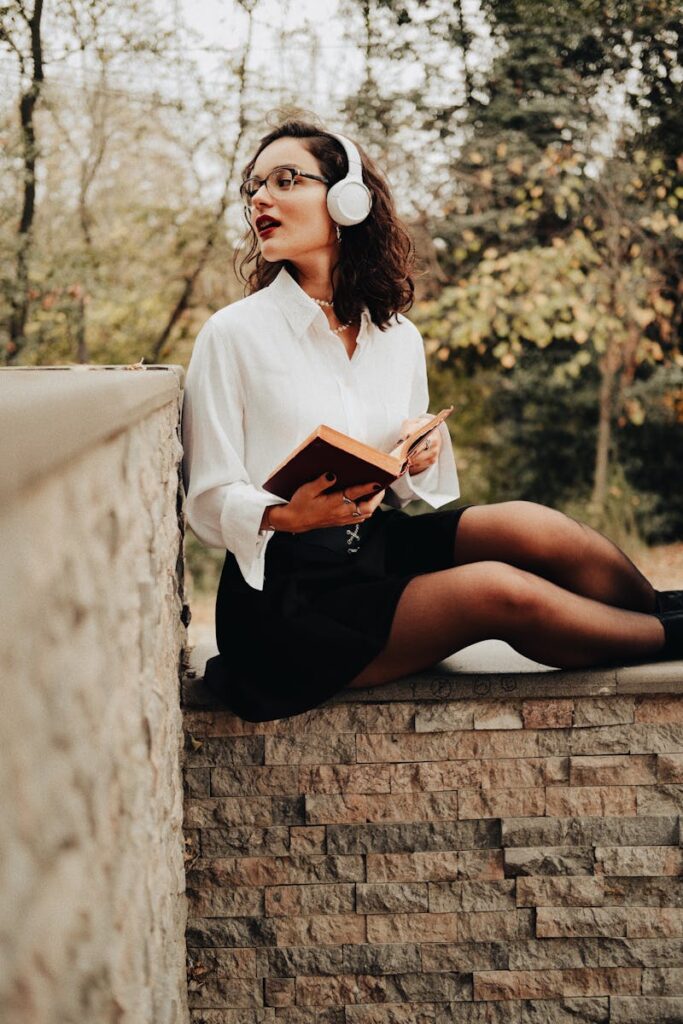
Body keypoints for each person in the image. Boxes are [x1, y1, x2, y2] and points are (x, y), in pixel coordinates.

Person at [181, 116, 683, 723]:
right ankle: (673, 639)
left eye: (286, 180)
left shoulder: (397, 337)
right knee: (497, 590)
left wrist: (418, 453)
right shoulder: (232, 335)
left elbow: (399, 496)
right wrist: (287, 514)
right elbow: (207, 497)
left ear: (347, 199)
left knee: (529, 527)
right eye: (254, 187)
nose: (261, 197)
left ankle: (663, 610)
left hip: (370, 549)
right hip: (286, 601)